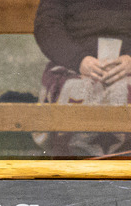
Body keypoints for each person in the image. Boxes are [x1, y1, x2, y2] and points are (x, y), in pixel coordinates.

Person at [33, 0, 131, 157]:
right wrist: (79, 60)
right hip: (74, 64)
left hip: (127, 63)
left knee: (123, 89)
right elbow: (47, 25)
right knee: (74, 89)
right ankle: (70, 166)